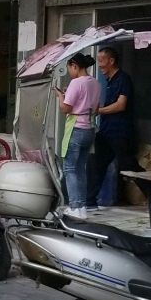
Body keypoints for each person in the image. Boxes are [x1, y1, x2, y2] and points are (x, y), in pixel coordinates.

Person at [93, 43, 135, 207]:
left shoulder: (123, 79)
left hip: (120, 132)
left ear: (111, 61)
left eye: (102, 60)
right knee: (99, 165)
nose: (100, 65)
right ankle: (90, 199)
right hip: (106, 131)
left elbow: (121, 105)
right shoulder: (109, 80)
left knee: (128, 165)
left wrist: (99, 111)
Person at [59, 52, 99, 211]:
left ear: (74, 66)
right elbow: (96, 108)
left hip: (75, 129)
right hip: (89, 129)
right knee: (80, 168)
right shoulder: (95, 82)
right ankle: (82, 207)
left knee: (70, 169)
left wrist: (60, 97)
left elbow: (66, 108)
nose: (69, 72)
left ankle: (75, 207)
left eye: (69, 68)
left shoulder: (76, 83)